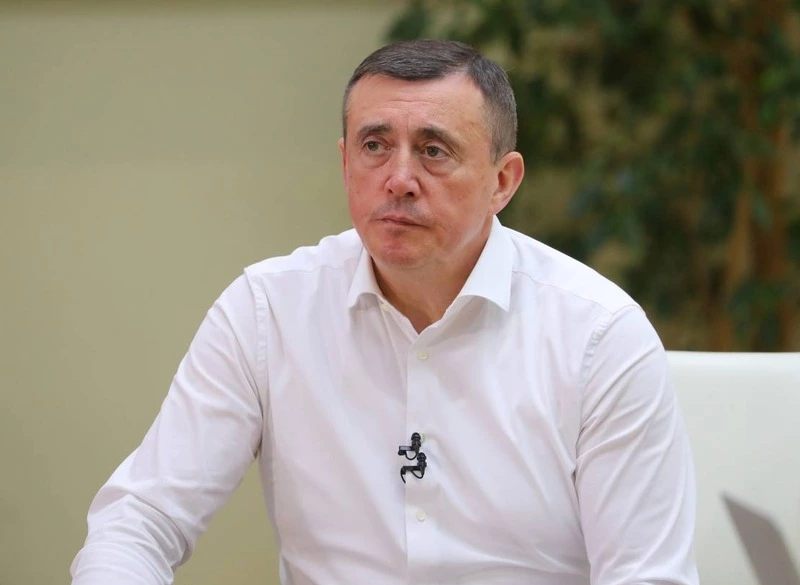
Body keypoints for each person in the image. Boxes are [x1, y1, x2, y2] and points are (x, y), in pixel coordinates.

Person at [70, 39, 698, 585]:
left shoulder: (598, 335)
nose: (399, 178)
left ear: (503, 181)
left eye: (434, 150)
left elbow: (646, 574)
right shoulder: (268, 311)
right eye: (375, 145)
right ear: (345, 162)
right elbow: (141, 520)